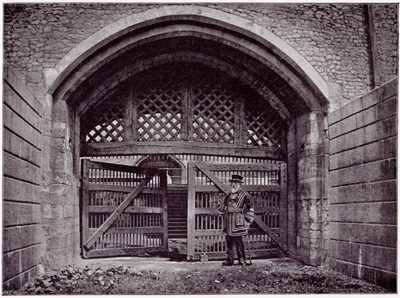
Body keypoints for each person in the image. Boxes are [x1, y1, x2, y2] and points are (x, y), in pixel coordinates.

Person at [218, 174, 255, 266]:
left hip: (239, 222)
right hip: (228, 222)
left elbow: (251, 208)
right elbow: (221, 206)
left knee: (239, 242)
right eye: (233, 182)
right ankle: (229, 260)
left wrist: (248, 221)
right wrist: (225, 208)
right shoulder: (229, 195)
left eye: (236, 183)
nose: (234, 185)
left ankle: (242, 260)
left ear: (240, 184)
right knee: (229, 242)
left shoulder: (245, 195)